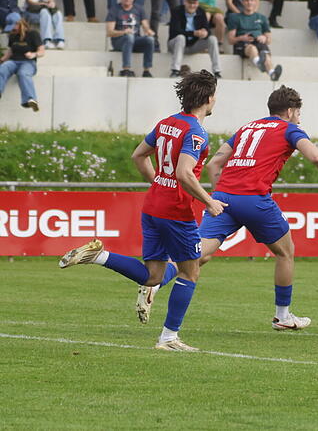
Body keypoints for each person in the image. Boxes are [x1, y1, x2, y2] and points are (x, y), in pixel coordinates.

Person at [142, 86, 318, 330]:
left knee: (198, 254)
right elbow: (316, 157)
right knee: (286, 252)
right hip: (254, 198)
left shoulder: (247, 128)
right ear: (289, 111)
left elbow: (214, 164)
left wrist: (220, 195)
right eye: (298, 112)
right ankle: (283, 316)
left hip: (224, 196)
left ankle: (156, 281)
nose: (299, 117)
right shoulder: (290, 129)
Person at [59, 70, 225, 351]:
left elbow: (138, 155)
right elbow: (185, 173)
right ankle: (169, 338)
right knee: (190, 271)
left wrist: (159, 182)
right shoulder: (197, 133)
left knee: (153, 277)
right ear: (209, 99)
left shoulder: (166, 123)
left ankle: (99, 256)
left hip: (153, 205)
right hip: (175, 210)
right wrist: (209, 201)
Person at [227, 0, 283, 81]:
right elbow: (230, 40)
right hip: (243, 44)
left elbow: (269, 40)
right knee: (252, 48)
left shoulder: (262, 18)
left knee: (265, 54)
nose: (249, 3)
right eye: (247, 0)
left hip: (258, 42)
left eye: (252, 0)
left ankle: (272, 73)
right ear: (243, 2)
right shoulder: (235, 17)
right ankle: (259, 63)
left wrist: (264, 38)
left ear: (255, 2)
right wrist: (242, 38)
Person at [169, 0, 221, 78]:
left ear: (197, 3)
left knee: (212, 39)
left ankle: (217, 71)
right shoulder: (176, 11)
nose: (192, 5)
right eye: (190, 2)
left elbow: (207, 30)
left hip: (194, 45)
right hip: (175, 45)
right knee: (180, 38)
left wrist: (205, 33)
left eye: (194, 3)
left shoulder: (201, 11)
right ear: (184, 1)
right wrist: (194, 33)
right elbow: (175, 31)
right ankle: (175, 70)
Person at [107, 0, 156, 77]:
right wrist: (124, 32)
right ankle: (126, 69)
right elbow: (109, 32)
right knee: (129, 37)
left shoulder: (139, 9)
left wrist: (149, 31)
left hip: (135, 39)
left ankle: (147, 70)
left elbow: (145, 25)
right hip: (119, 41)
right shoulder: (114, 10)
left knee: (150, 40)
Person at [0, 18, 43, 112]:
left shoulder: (33, 34)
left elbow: (42, 51)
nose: (12, 30)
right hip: (13, 61)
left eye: (14, 28)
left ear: (19, 24)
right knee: (2, 68)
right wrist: (2, 60)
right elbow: (11, 51)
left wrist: (33, 54)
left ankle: (30, 100)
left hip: (28, 62)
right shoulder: (12, 35)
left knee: (23, 74)